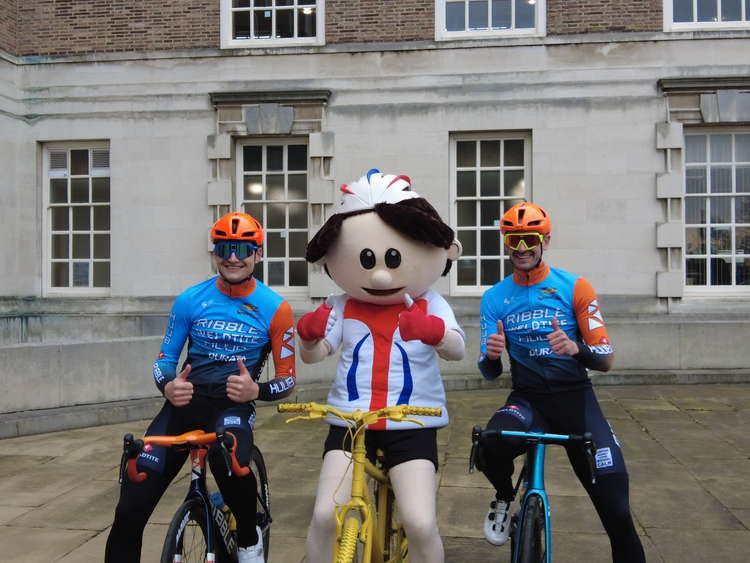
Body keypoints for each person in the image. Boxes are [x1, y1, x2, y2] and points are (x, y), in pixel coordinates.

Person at [105, 212, 296, 563]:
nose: (233, 256)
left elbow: (288, 379)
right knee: (130, 508)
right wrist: (167, 385)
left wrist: (258, 392)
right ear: (214, 253)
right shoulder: (190, 300)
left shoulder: (276, 309)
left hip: (232, 410)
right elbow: (163, 361)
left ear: (258, 254)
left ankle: (249, 540)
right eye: (224, 247)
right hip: (182, 408)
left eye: (242, 248)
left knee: (233, 462)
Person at [297, 169, 465, 563]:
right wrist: (307, 337)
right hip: (349, 422)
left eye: (392, 259)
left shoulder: (429, 303)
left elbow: (457, 349)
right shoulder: (341, 304)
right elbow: (316, 354)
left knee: (420, 523)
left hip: (412, 423)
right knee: (324, 516)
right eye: (368, 260)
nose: (380, 273)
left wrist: (433, 331)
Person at [476, 202, 645, 563]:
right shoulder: (494, 298)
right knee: (490, 442)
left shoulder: (575, 287)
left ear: (545, 240)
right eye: (513, 239)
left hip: (576, 402)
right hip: (528, 401)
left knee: (617, 509)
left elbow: (606, 360)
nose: (521, 248)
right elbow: (489, 372)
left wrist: (575, 349)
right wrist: (492, 356)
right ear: (505, 241)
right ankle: (505, 496)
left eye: (530, 238)